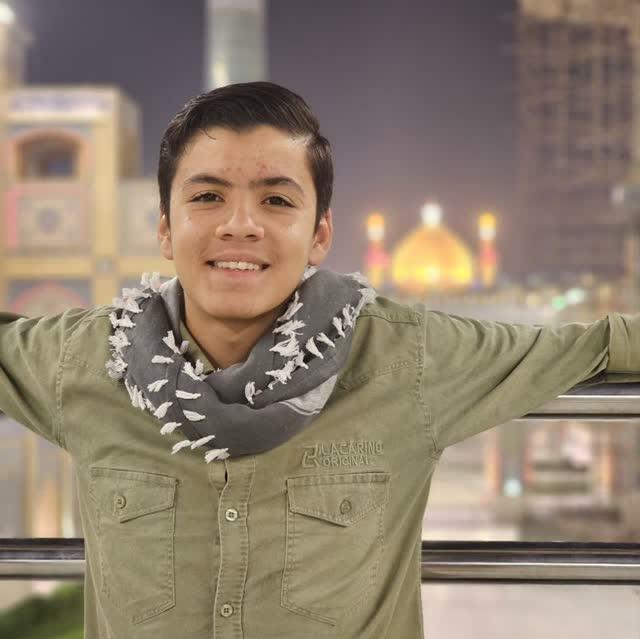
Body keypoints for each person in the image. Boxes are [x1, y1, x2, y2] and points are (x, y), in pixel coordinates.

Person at [1, 81, 638, 639]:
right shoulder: (86, 361)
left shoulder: (402, 356)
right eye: (208, 197)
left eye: (276, 200)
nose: (240, 225)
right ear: (164, 227)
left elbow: (599, 344)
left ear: (321, 234)